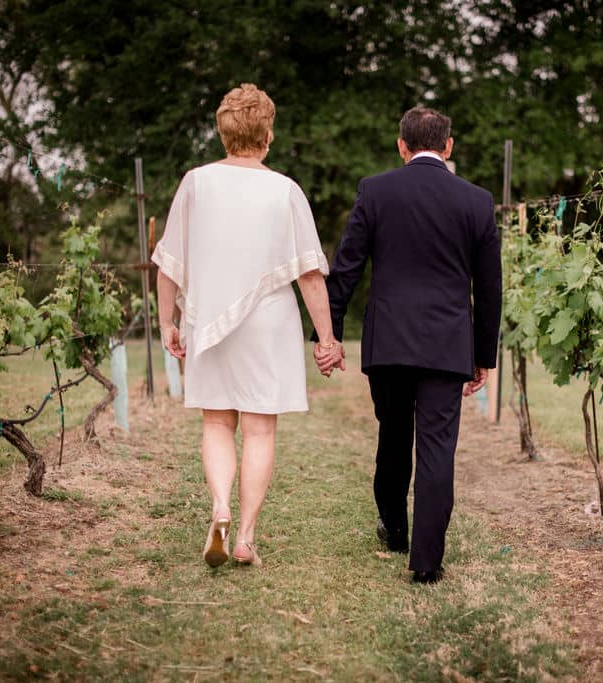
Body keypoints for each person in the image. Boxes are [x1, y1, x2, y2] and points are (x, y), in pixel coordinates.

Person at [154, 83, 344, 569]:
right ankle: (244, 537)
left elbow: (168, 265)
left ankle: (219, 507)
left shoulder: (195, 182)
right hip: (267, 322)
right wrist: (326, 338)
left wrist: (166, 322)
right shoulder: (285, 190)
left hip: (207, 319)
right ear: (268, 135)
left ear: (223, 133)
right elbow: (309, 274)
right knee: (259, 430)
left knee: (217, 421)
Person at [315, 106, 501, 584]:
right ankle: (425, 562)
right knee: (437, 447)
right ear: (448, 146)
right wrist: (483, 356)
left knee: (393, 434)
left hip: (389, 343)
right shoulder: (477, 201)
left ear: (402, 146)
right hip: (446, 346)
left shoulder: (375, 191)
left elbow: (347, 267)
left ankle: (395, 529)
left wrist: (328, 333)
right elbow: (489, 286)